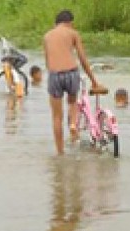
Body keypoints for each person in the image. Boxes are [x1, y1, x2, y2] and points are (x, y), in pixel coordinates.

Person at [43, 9, 100, 155]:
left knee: (57, 117)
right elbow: (82, 58)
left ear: (56, 23)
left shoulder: (47, 36)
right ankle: (74, 124)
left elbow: (48, 63)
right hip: (71, 72)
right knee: (73, 102)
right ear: (70, 23)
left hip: (55, 75)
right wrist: (94, 81)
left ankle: (60, 152)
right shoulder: (73, 33)